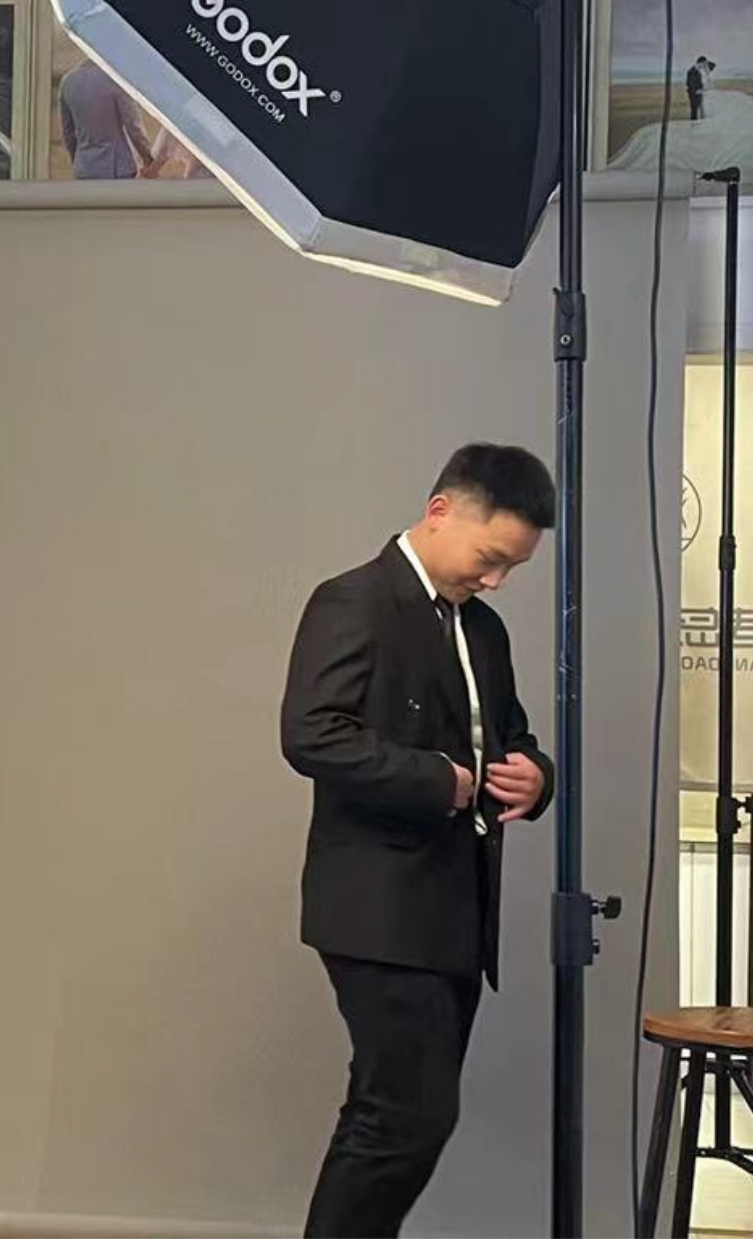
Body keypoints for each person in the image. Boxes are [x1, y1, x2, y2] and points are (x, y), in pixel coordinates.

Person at [281, 443, 556, 1238]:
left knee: (395, 1115)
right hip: (379, 905)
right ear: (441, 512)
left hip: (455, 910)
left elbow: (511, 735)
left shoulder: (484, 630)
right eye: (490, 558)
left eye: (512, 568)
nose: (496, 581)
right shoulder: (353, 601)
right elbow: (311, 734)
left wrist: (536, 777)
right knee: (404, 1118)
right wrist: (441, 782)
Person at [59, 59, 155, 179]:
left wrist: (78, 160)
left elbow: (68, 133)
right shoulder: (116, 80)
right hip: (117, 168)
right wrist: (148, 159)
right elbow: (133, 127)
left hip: (84, 168)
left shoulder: (68, 81)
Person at [686, 55, 711, 121]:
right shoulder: (691, 71)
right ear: (700, 63)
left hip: (698, 93)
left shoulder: (698, 71)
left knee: (699, 110)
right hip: (693, 94)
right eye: (704, 64)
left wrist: (702, 88)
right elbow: (689, 83)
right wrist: (697, 90)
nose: (704, 66)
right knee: (694, 111)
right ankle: (694, 123)